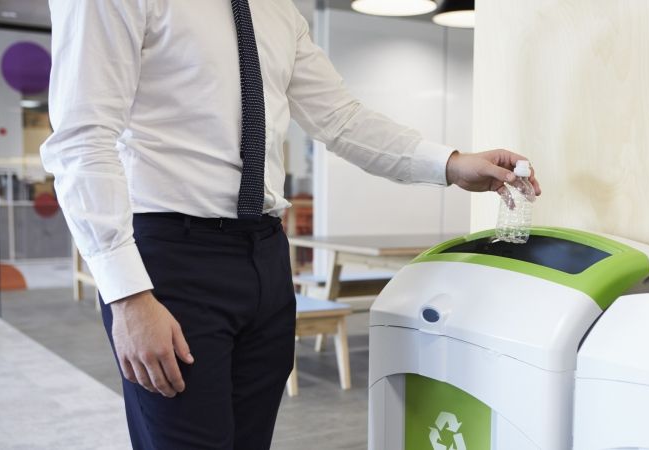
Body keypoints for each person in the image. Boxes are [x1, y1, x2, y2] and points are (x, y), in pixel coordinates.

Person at [41, 1, 540, 449]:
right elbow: (82, 141)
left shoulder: (276, 9)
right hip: (172, 260)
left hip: (264, 256)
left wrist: (451, 164)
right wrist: (126, 296)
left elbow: (341, 119)